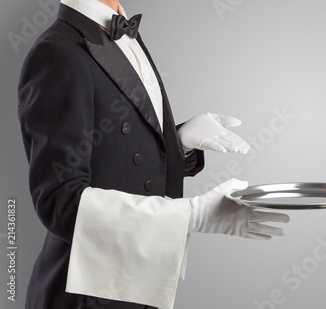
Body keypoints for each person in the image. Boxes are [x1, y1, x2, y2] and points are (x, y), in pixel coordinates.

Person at [17, 0, 290, 308]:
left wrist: (177, 142)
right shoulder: (56, 53)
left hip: (137, 283)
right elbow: (60, 201)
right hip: (86, 294)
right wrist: (192, 216)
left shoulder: (122, 33)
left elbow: (116, 154)